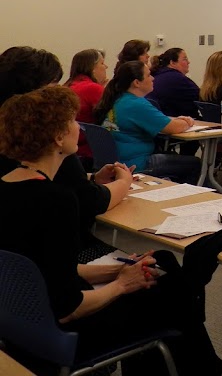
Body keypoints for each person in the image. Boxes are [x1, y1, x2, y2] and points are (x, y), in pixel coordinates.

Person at [0, 86, 222, 375]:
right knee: (169, 293)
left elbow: (45, 267)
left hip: (18, 324)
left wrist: (116, 272)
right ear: (58, 137)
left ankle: (200, 365)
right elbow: (70, 308)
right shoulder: (56, 201)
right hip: (58, 337)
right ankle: (206, 367)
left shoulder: (9, 187)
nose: (78, 126)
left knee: (160, 262)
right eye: (71, 122)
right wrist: (122, 284)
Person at [0, 46, 133, 261]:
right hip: (52, 255)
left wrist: (90, 178)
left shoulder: (13, 140)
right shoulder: (48, 147)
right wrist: (124, 182)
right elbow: (88, 201)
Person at [95, 61, 202, 184]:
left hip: (118, 160)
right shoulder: (136, 104)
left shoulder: (118, 99)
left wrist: (177, 120)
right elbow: (172, 128)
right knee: (194, 164)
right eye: (148, 75)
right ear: (137, 82)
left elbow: (159, 119)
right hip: (137, 163)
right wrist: (188, 121)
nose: (152, 78)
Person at [65, 48, 108, 169]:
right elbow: (112, 122)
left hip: (70, 152)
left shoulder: (68, 85)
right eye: (102, 63)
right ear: (92, 68)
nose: (106, 67)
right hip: (89, 153)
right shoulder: (92, 89)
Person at [149, 48, 200, 118]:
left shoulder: (156, 75)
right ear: (172, 63)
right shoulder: (178, 79)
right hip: (176, 120)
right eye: (185, 59)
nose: (188, 62)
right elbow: (200, 97)